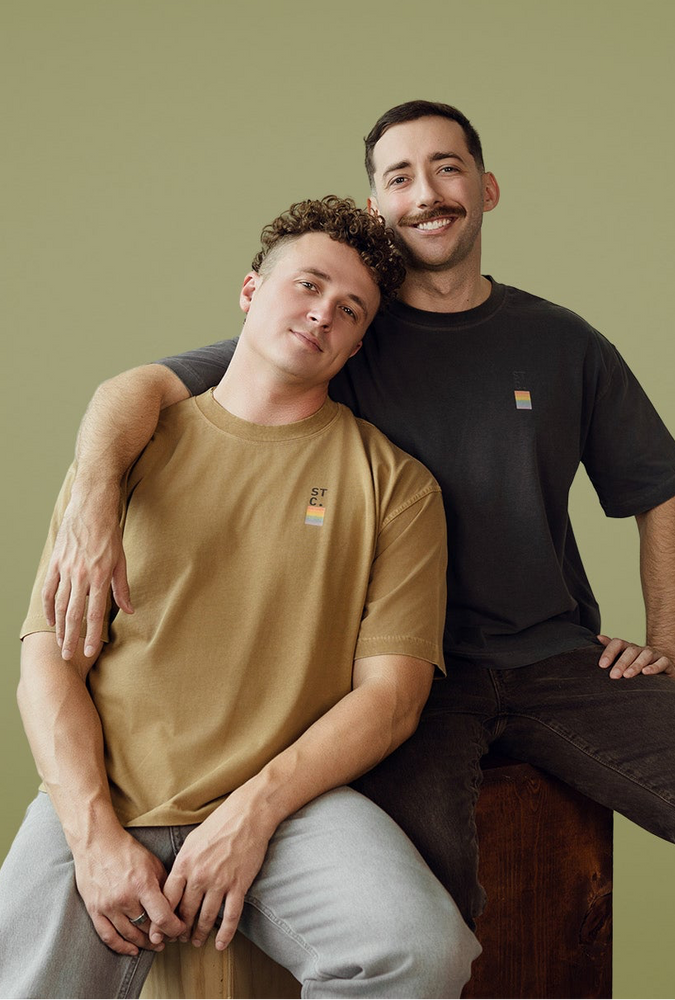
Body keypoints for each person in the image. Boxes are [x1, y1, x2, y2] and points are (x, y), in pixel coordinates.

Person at [39, 103, 675, 998]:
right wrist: (91, 496)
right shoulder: (340, 324)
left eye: (447, 168)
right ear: (378, 203)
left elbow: (659, 495)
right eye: (398, 176)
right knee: (424, 912)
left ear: (486, 188)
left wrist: (666, 641)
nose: (426, 192)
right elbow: (137, 390)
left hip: (555, 656)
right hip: (406, 683)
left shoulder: (561, 342)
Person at [0, 195, 481, 1000]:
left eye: (350, 308)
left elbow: (393, 700)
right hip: (109, 787)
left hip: (291, 807)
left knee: (420, 951)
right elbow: (47, 665)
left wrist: (253, 814)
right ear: (252, 291)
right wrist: (90, 836)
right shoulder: (119, 459)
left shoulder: (396, 486)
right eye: (308, 285)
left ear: (361, 340)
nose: (324, 312)